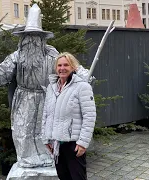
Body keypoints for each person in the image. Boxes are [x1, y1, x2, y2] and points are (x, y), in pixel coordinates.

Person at [0, 4, 57, 168]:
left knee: (44, 128)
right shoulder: (17, 56)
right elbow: (2, 70)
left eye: (35, 36)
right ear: (23, 39)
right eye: (28, 36)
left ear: (41, 39)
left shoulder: (51, 54)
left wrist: (82, 77)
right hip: (24, 98)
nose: (31, 40)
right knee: (23, 129)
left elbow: (68, 67)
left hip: (45, 97)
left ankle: (46, 156)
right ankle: (27, 158)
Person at [41, 52, 97, 180]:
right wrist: (46, 138)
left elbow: (90, 116)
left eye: (66, 65)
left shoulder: (82, 87)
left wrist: (83, 143)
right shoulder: (52, 87)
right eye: (59, 65)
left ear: (73, 67)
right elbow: (46, 114)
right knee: (63, 177)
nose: (62, 68)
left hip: (74, 144)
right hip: (56, 144)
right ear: (56, 68)